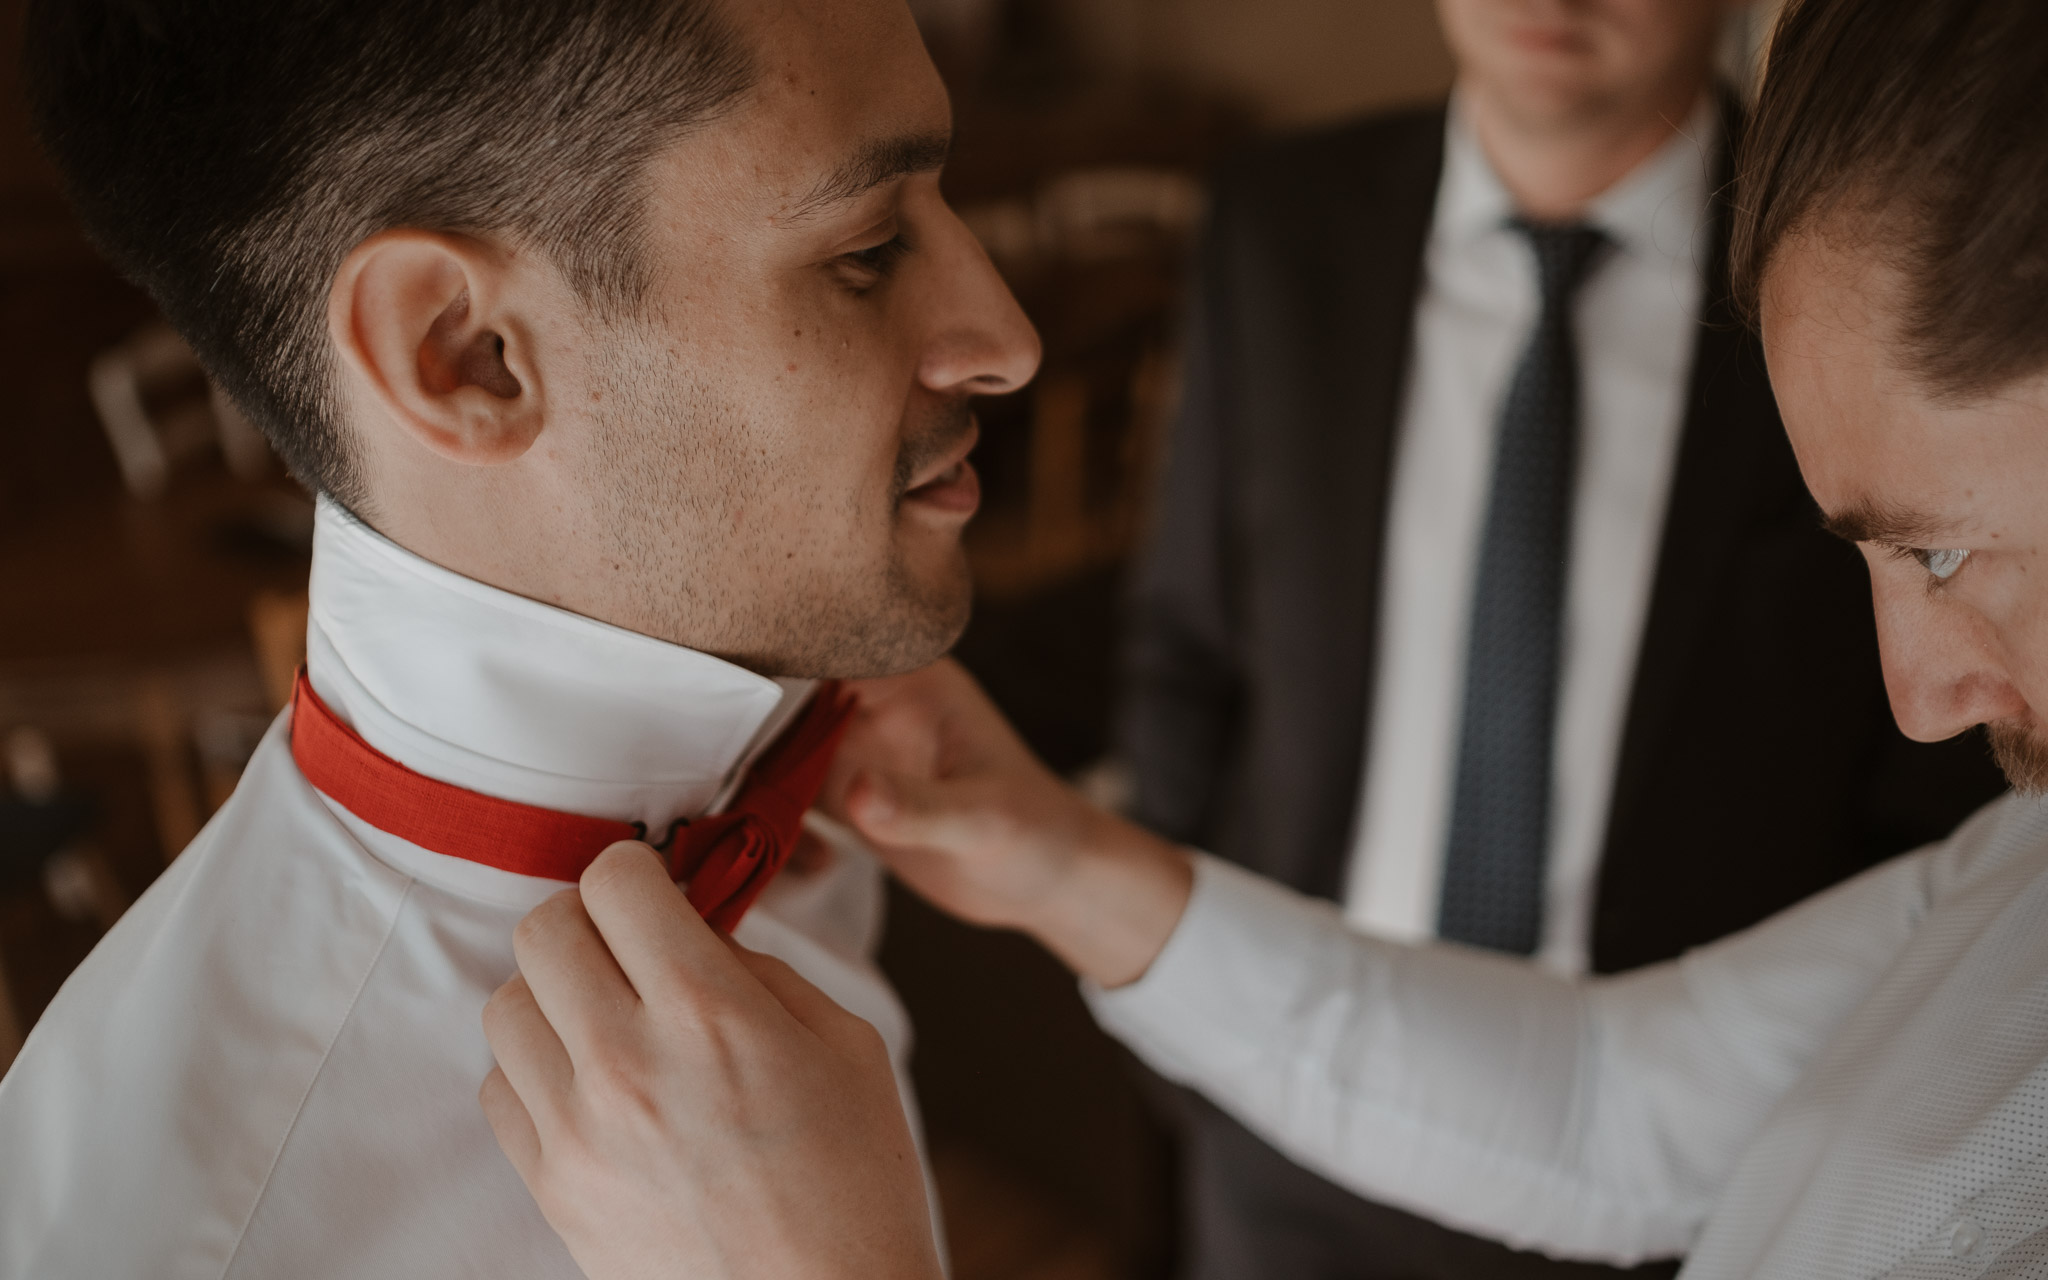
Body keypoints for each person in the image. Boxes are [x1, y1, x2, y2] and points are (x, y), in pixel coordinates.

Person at [477, 0, 2048, 1276]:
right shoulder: (2015, 882)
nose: (1919, 696)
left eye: (1945, 547)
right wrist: (1059, 858)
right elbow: (1614, 1106)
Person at [0, 0, 1036, 1274]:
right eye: (867, 248)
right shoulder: (193, 1230)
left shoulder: (783, 729)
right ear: (466, 357)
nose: (1006, 340)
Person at [1123, 0, 2008, 1268]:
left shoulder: (1859, 263)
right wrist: (1191, 1047)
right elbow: (1185, 649)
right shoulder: (1277, 221)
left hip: (1677, 1163)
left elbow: (1927, 784)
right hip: (1282, 1114)